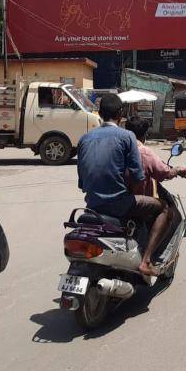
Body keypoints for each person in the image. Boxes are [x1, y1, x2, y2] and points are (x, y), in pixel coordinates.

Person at [76, 94, 168, 277]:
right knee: (164, 210)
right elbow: (138, 178)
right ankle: (146, 261)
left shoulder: (84, 139)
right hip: (119, 204)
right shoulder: (127, 136)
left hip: (92, 205)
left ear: (100, 114)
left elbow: (82, 183)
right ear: (120, 114)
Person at [124, 116, 186, 198]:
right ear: (145, 134)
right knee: (165, 207)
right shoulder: (144, 151)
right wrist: (178, 169)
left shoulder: (119, 148)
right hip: (137, 201)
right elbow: (165, 173)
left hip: (116, 199)